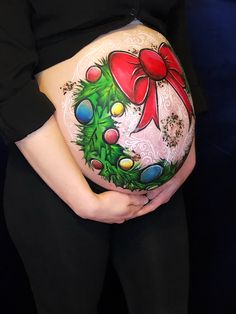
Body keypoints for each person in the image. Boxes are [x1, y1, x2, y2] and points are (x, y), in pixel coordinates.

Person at [0, 1, 206, 313]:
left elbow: (175, 34)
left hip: (158, 185)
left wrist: (186, 150)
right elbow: (7, 80)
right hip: (56, 176)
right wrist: (84, 200)